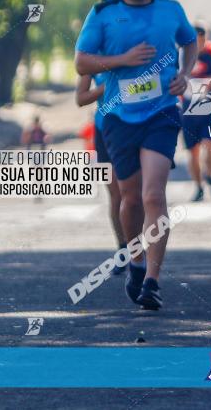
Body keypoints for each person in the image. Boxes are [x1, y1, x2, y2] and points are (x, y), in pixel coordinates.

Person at [75, 0, 197, 310]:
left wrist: (184, 75)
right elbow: (82, 63)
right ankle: (136, 262)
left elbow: (190, 42)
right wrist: (122, 60)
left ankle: (154, 281)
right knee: (128, 199)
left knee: (153, 196)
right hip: (117, 116)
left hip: (161, 113)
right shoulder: (102, 14)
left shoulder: (171, 10)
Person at [76, 72, 126, 275]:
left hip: (138, 126)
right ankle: (123, 249)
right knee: (116, 195)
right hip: (104, 128)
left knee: (135, 194)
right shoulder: (93, 55)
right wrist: (106, 89)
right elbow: (81, 98)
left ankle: (139, 248)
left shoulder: (137, 48)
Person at [181, 25, 211, 201]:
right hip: (189, 108)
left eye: (201, 38)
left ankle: (210, 176)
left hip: (210, 105)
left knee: (210, 145)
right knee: (193, 151)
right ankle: (198, 187)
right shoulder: (182, 53)